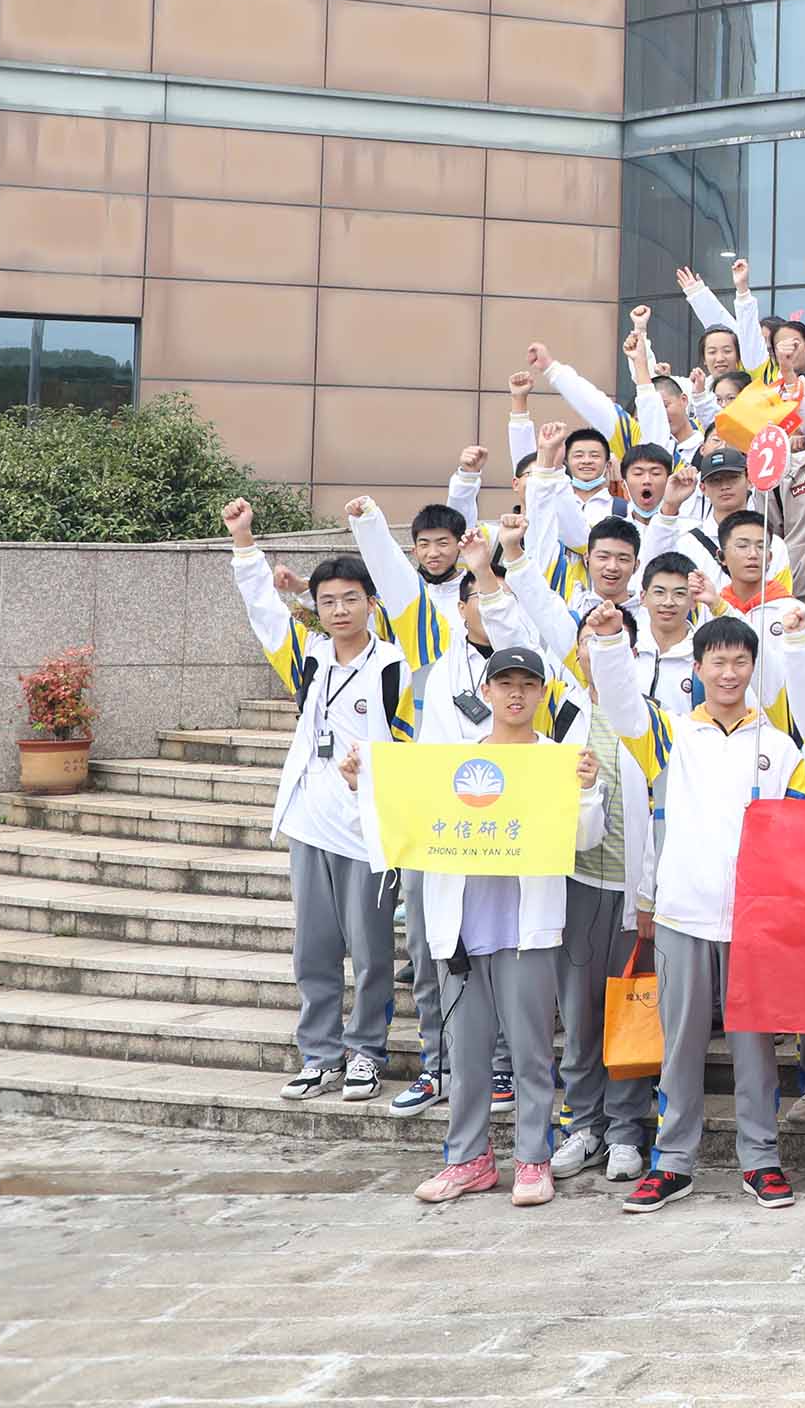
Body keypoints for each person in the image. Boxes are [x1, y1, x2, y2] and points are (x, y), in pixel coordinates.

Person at [222, 495, 441, 1109]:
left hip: (367, 828)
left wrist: (371, 768)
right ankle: (319, 1055)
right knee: (313, 948)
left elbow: (413, 743)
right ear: (316, 608)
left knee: (370, 951)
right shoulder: (309, 657)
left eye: (350, 599)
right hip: (310, 819)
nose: (340, 610)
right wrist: (244, 543)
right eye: (328, 601)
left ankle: (366, 1051)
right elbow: (263, 610)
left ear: (371, 603)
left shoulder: (395, 667)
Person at [589, 609, 805, 1214]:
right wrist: (609, 641)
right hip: (682, 914)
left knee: (754, 1047)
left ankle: (760, 1159)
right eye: (718, 661)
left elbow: (800, 832)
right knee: (680, 1044)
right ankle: (673, 1162)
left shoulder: (780, 747)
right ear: (699, 668)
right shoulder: (670, 735)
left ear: (754, 667)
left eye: (740, 661)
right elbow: (622, 704)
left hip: (754, 922)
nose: (729, 672)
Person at [390, 644, 607, 1207]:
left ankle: (533, 1159)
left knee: (531, 1052)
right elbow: (406, 817)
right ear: (485, 691)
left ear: (541, 694)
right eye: (505, 683)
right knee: (465, 1054)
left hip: (526, 932)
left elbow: (585, 838)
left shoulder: (559, 759)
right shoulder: (453, 763)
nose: (516, 694)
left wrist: (586, 790)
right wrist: (360, 781)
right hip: (462, 932)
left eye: (527, 685)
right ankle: (469, 1159)